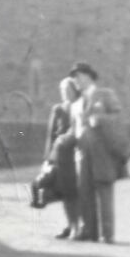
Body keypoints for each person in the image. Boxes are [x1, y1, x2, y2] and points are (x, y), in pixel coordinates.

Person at [68, 62, 123, 243]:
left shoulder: (105, 95)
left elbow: (118, 117)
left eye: (77, 76)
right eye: (74, 77)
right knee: (85, 192)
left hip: (102, 154)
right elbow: (74, 129)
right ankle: (90, 232)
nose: (75, 80)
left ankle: (108, 234)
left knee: (104, 192)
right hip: (82, 155)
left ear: (87, 76)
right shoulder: (76, 103)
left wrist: (99, 119)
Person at [43, 77, 81, 238]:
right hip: (60, 158)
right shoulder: (58, 109)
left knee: (77, 194)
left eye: (69, 90)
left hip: (76, 157)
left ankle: (78, 226)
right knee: (65, 193)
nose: (66, 93)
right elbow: (51, 136)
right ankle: (70, 225)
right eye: (63, 90)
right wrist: (47, 159)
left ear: (75, 90)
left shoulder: (80, 107)